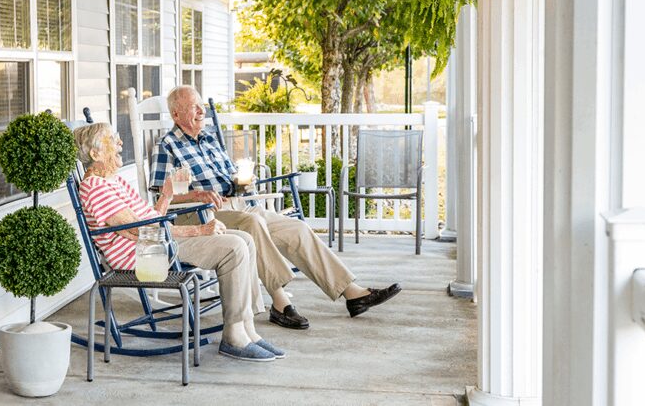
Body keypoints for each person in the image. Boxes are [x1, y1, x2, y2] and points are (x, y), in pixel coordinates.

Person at [150, 85, 401, 330]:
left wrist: (242, 181)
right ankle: (280, 302)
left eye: (201, 105)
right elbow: (161, 195)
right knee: (253, 223)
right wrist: (198, 194)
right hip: (200, 214)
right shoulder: (168, 145)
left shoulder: (209, 140)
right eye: (193, 107)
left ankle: (352, 294)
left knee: (297, 229)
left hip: (237, 205)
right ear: (176, 114)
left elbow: (230, 177)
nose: (201, 111)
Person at [73, 122, 284, 362]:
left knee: (245, 239)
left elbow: (149, 220)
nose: (121, 143)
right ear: (95, 153)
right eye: (113, 139)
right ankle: (234, 336)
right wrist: (200, 230)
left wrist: (167, 195)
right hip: (144, 255)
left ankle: (248, 329)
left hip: (155, 243)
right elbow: (137, 231)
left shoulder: (113, 181)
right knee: (233, 248)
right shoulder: (95, 187)